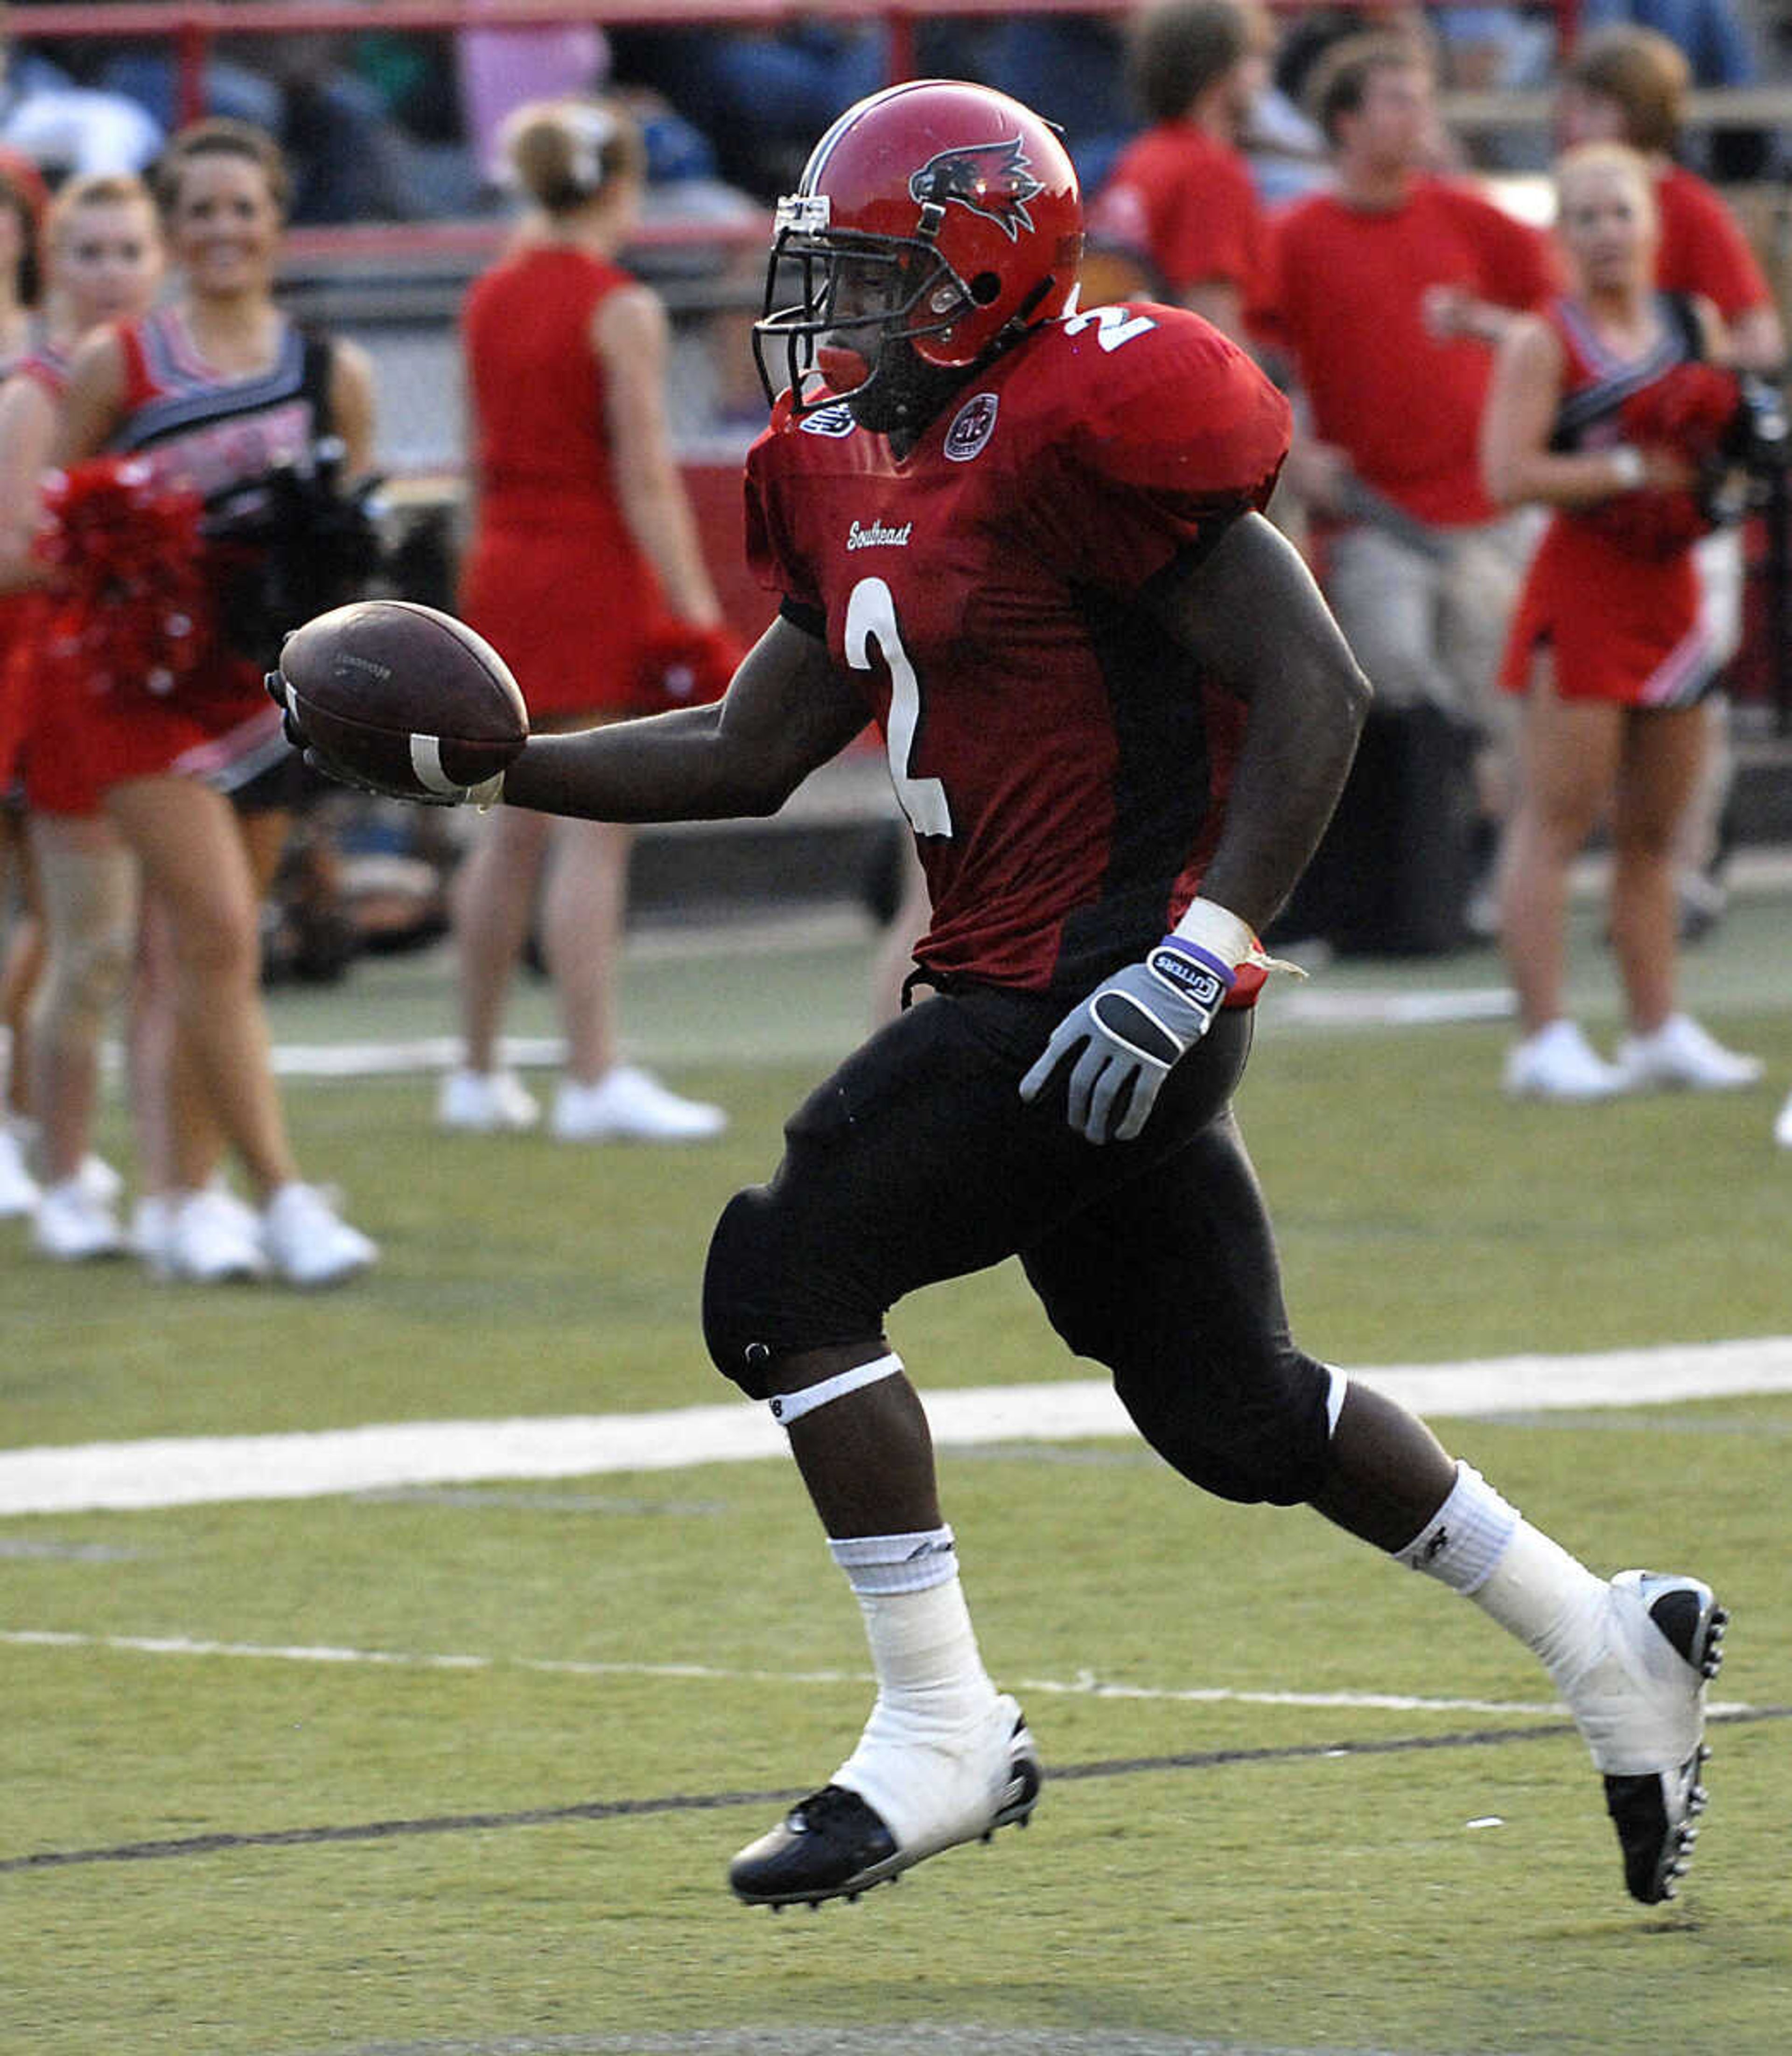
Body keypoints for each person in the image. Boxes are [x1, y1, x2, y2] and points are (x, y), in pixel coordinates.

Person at [281, 80, 1728, 1916]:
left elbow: (1319, 689)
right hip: (1016, 978)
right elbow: (748, 751)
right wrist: (491, 773)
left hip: (1115, 976)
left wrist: (1205, 951)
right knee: (1236, 1414)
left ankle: (942, 1727)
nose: (835, 321)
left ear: (976, 275)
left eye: (873, 281)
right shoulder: (855, 463)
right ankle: (1608, 1640)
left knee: (786, 1274)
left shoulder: (1093, 412)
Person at [52, 118, 379, 1284]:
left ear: (278, 222)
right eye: (201, 211)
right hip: (134, 691)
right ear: (172, 229)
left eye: (245, 208)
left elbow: (353, 543)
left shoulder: (328, 369)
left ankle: (183, 1196)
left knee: (201, 956)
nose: (225, 230)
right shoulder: (120, 365)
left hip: (260, 694)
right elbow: (59, 519)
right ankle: (284, 1195)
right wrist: (130, 552)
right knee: (223, 936)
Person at [440, 96, 733, 1144]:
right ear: (621, 186)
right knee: (593, 835)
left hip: (505, 570)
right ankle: (592, 1073)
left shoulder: (490, 296)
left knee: (508, 828)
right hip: (589, 566)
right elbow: (645, 476)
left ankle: (474, 1070)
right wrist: (697, 609)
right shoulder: (620, 306)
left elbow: (478, 462)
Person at [1253, 34, 1561, 919]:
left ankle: (1490, 868)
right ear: (1345, 122)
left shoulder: (1474, 218)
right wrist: (1292, 441)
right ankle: (1430, 863)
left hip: (1484, 501)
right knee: (1393, 676)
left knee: (1499, 691)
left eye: (1421, 97)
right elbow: (1253, 353)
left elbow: (1555, 320)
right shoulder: (1298, 234)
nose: (1418, 115)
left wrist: (1487, 327)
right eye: (1395, 98)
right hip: (1376, 513)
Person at [1482, 143, 1764, 1099]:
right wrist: (1630, 472)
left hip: (1673, 591)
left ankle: (1657, 1026)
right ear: (1561, 236)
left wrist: (1733, 474)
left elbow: (1721, 451)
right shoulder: (1543, 339)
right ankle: (1544, 1038)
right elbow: (1507, 474)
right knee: (1556, 821)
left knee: (1657, 828)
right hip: (1586, 592)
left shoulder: (1695, 322)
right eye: (1586, 217)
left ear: (1655, 225)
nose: (1607, 233)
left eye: (1621, 213)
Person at [1559, 24, 1786, 942]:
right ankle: (1637, 869)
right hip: (1599, 502)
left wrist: (1694, 393)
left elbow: (1755, 338)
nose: (1573, 120)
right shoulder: (1577, 210)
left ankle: (1686, 865)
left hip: (1678, 499)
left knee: (1693, 677)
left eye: (1594, 103)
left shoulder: (1679, 205)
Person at [0, 171, 162, 1260]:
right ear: (52, 261)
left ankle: (90, 1148)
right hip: (62, 675)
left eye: (126, 250)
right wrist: (136, 556)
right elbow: (16, 551)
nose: (110, 272)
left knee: (126, 939)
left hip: (156, 680)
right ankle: (59, 1166)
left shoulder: (166, 373)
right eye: (88, 251)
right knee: (87, 937)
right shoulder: (39, 385)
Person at [1086, 0, 1277, 349]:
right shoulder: (1209, 169)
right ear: (1219, 71)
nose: (1263, 75)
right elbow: (1214, 322)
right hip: (1184, 373)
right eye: (1253, 58)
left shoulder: (1143, 155)